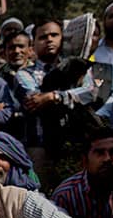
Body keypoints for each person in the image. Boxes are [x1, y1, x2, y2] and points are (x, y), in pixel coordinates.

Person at [13, 19, 99, 188]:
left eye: (54, 35)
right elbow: (34, 99)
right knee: (43, 194)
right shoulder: (24, 74)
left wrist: (53, 97)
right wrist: (72, 96)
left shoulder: (78, 67)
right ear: (33, 44)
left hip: (77, 143)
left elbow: (91, 92)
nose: (49, 40)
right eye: (43, 37)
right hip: (40, 143)